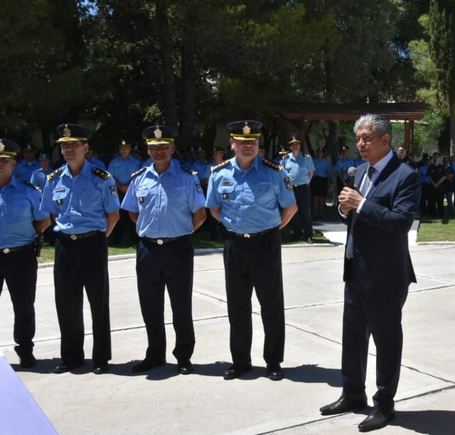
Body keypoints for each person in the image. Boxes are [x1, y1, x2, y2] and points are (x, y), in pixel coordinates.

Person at [320, 114, 420, 432]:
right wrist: (345, 208)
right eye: (359, 138)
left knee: (386, 341)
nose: (360, 144)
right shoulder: (360, 171)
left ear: (385, 140)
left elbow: (401, 222)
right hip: (355, 270)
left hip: (386, 275)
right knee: (352, 338)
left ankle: (384, 405)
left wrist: (361, 204)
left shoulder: (405, 175)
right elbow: (351, 212)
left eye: (367, 138)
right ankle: (352, 394)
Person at [206, 120, 297, 381]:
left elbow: (290, 207)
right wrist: (234, 227)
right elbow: (214, 209)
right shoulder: (219, 174)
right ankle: (241, 361)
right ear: (232, 144)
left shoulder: (274, 171)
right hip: (235, 245)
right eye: (243, 142)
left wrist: (271, 229)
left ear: (258, 145)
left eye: (253, 142)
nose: (248, 146)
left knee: (271, 305)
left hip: (266, 244)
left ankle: (273, 362)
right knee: (237, 306)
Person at [121, 125, 206, 375]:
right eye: (153, 147)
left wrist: (178, 231)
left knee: (181, 306)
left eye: (163, 146)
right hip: (148, 250)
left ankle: (183, 356)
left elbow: (199, 215)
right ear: (147, 149)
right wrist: (153, 231)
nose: (158, 151)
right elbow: (133, 212)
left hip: (178, 248)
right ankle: (155, 354)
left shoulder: (187, 177)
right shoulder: (139, 178)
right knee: (151, 306)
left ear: (173, 148)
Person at [39, 123, 120, 375]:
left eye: (74, 144)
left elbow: (114, 215)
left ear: (86, 147)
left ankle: (100, 358)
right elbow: (52, 211)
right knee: (66, 303)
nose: (68, 149)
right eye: (64, 145)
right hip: (65, 245)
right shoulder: (53, 179)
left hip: (93, 244)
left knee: (99, 302)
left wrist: (96, 238)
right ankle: (71, 357)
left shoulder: (101, 178)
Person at [0, 139, 50, 369]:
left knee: (23, 306)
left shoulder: (28, 191)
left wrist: (30, 235)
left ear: (14, 163)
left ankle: (25, 349)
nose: (0, 164)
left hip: (21, 256)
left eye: (4, 160)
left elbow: (44, 219)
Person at [107, 140, 143, 245]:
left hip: (132, 191)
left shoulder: (137, 162)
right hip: (118, 191)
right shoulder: (114, 162)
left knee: (133, 214)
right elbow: (110, 176)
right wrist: (120, 186)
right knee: (119, 216)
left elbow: (139, 176)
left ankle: (135, 240)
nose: (124, 150)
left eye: (126, 148)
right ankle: (117, 241)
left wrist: (129, 186)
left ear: (130, 149)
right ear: (119, 149)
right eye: (122, 148)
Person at [283, 136, 315, 243]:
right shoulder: (286, 159)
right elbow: (283, 174)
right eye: (293, 144)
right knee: (293, 213)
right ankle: (297, 234)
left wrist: (306, 182)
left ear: (300, 146)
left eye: (297, 144)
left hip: (303, 188)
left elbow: (311, 173)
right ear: (290, 147)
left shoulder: (306, 158)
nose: (295, 146)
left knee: (306, 212)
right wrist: (288, 186)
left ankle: (309, 235)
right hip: (291, 189)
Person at [311, 147, 332, 219]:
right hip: (315, 179)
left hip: (323, 179)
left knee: (322, 197)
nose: (320, 153)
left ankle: (321, 213)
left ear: (323, 153)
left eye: (321, 152)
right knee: (315, 198)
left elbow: (329, 173)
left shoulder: (326, 162)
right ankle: (316, 214)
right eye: (318, 152)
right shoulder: (313, 160)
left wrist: (328, 183)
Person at [426, 152, 446, 218]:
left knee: (440, 202)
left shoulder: (442, 167)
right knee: (432, 202)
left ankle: (441, 215)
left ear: (439, 158)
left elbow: (444, 176)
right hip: (432, 187)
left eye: (437, 157)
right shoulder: (430, 167)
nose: (436, 158)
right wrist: (434, 183)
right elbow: (429, 176)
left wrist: (437, 183)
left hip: (440, 187)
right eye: (434, 157)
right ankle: (433, 214)